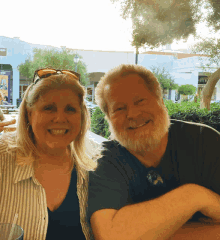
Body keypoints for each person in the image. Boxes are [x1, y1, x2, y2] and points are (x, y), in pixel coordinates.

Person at [87, 64, 220, 240]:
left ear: (161, 101)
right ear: (109, 118)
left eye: (140, 101)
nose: (132, 113)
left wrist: (148, 232)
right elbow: (111, 235)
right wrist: (194, 196)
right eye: (119, 108)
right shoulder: (106, 162)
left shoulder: (204, 142)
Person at [0, 68, 97, 240]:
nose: (60, 118)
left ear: (81, 117)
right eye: (49, 108)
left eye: (70, 109)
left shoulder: (96, 168)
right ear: (29, 114)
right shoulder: (2, 159)